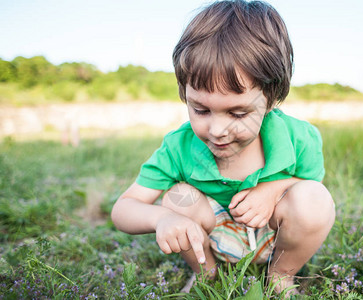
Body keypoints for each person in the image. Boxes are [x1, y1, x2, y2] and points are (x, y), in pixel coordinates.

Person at [111, 0, 335, 295]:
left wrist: (271, 190)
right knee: (178, 197)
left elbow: (311, 190)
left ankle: (281, 275)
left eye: (238, 113)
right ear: (185, 93)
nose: (216, 131)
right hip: (214, 236)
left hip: (273, 238)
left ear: (271, 98)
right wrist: (162, 218)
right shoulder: (179, 146)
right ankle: (208, 274)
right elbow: (123, 209)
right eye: (200, 110)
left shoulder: (298, 137)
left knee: (313, 198)